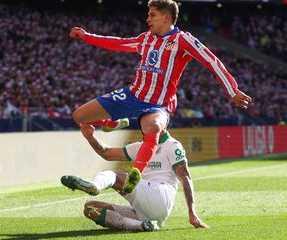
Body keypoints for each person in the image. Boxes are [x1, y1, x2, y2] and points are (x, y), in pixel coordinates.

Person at [69, 0, 252, 174]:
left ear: (166, 17)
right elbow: (118, 43)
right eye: (148, 15)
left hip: (157, 104)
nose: (147, 19)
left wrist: (232, 90)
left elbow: (212, 61)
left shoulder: (183, 40)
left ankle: (136, 173)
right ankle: (114, 123)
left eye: (152, 15)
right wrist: (87, 37)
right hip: (133, 95)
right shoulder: (145, 39)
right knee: (79, 116)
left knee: (152, 129)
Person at [61, 123, 208, 231]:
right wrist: (90, 136)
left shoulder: (172, 145)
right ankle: (143, 225)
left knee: (116, 175)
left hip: (161, 195)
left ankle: (96, 186)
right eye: (145, 121)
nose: (147, 124)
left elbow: (185, 177)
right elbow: (106, 153)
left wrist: (192, 212)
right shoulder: (141, 147)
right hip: (147, 210)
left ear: (164, 123)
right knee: (91, 208)